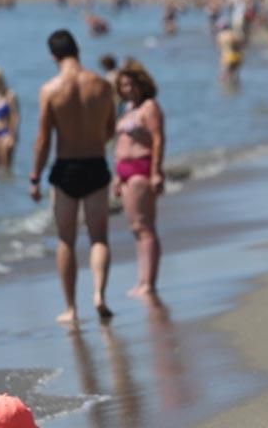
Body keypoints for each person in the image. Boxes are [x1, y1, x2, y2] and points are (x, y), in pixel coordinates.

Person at [29, 29, 117, 320]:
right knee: (99, 237)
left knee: (66, 240)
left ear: (53, 56)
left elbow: (43, 139)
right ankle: (99, 295)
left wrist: (35, 177)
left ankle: (70, 308)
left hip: (66, 169)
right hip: (96, 164)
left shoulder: (50, 90)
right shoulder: (103, 85)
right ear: (78, 50)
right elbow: (110, 130)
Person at [113, 59, 166, 297]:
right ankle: (141, 279)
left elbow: (158, 139)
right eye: (123, 85)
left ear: (141, 84)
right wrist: (116, 176)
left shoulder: (149, 107)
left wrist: (156, 171)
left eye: (131, 84)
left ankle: (149, 282)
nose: (127, 89)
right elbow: (119, 142)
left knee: (145, 227)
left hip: (141, 168)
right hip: (123, 170)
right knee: (135, 228)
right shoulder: (126, 109)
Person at [217, 22, 244, 86]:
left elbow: (219, 47)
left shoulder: (220, 35)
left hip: (226, 56)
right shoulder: (233, 34)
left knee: (224, 76)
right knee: (235, 75)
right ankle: (236, 87)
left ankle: (225, 88)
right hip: (237, 56)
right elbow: (241, 44)